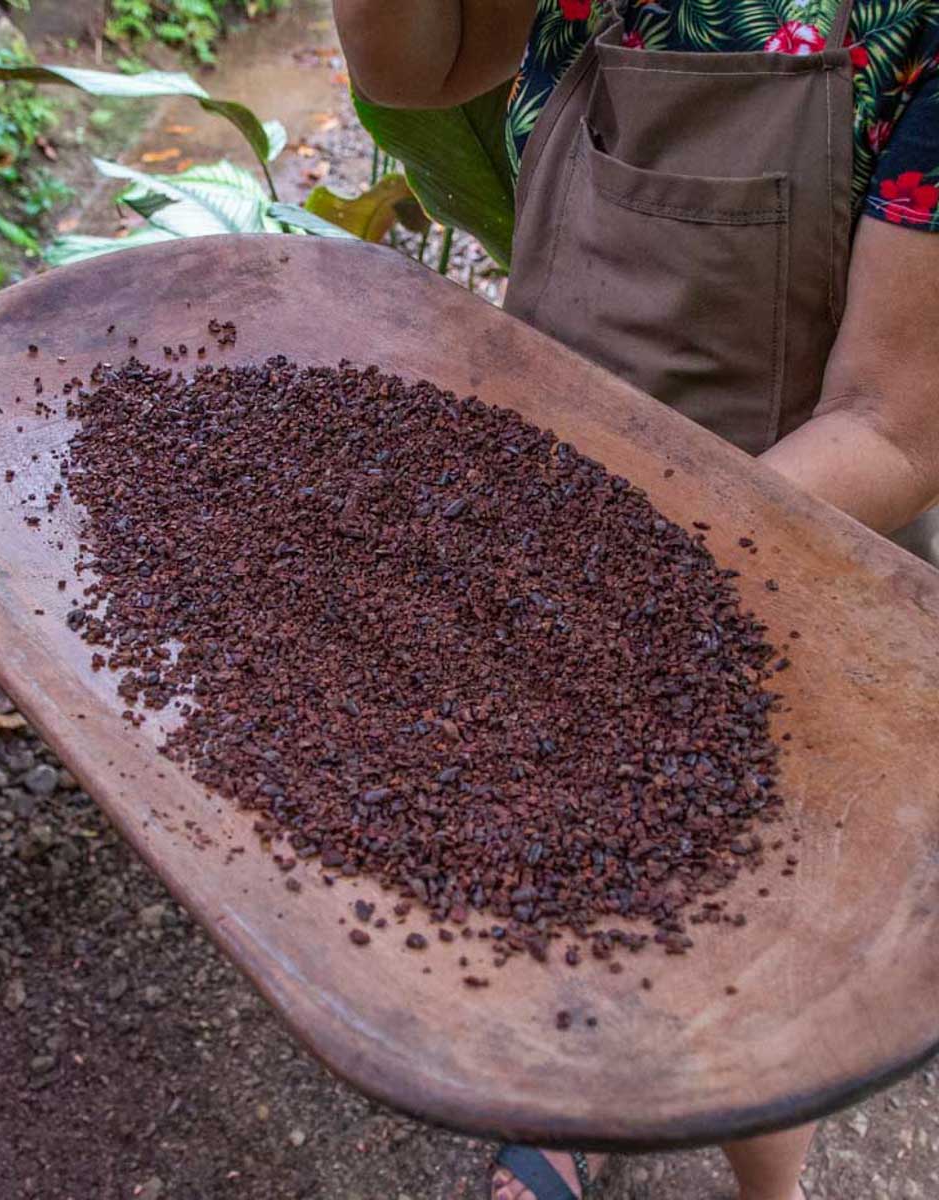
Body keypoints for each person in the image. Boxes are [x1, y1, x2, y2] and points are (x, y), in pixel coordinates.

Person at [333, 2, 939, 1198]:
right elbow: (414, 69)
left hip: (799, 526)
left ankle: (767, 1185)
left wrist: (612, 578)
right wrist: (555, 561)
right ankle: (567, 1113)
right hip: (558, 461)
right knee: (544, 852)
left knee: (755, 916)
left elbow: (894, 428)